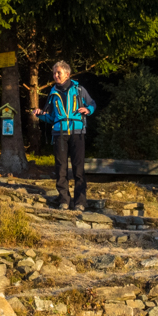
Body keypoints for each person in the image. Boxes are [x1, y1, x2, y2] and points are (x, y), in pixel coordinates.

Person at [34, 61, 97, 210]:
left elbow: (92, 104)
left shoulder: (79, 90)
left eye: (58, 73)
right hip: (59, 134)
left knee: (78, 168)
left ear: (67, 74)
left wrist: (88, 110)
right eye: (54, 73)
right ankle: (64, 200)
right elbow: (51, 118)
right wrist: (40, 115)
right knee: (61, 168)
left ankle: (80, 202)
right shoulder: (52, 93)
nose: (55, 75)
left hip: (77, 133)